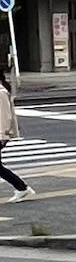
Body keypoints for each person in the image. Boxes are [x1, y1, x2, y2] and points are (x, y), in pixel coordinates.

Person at [0, 60, 31, 203]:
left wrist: (3, 135)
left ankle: (22, 188)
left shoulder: (0, 92)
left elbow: (4, 116)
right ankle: (22, 187)